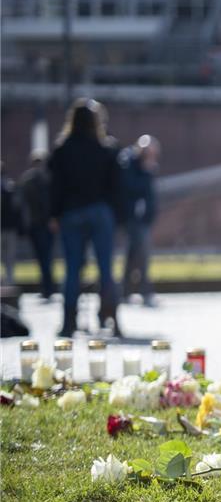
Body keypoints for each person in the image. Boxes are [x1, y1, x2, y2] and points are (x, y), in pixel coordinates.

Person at [47, 98, 122, 337]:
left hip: (71, 212)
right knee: (106, 268)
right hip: (100, 211)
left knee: (72, 270)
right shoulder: (107, 149)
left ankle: (69, 322)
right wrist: (114, 214)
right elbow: (116, 186)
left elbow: (54, 186)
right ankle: (112, 318)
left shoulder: (61, 150)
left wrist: (54, 214)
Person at [118, 134, 161, 307]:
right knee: (141, 253)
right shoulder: (129, 162)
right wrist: (145, 170)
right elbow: (131, 187)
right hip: (132, 216)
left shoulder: (149, 167)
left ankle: (125, 291)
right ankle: (145, 291)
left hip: (143, 217)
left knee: (133, 253)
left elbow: (150, 195)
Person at [17, 151, 57, 299]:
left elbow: (21, 205)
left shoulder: (28, 180)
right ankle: (48, 287)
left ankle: (47, 288)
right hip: (46, 223)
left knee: (43, 258)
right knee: (46, 257)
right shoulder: (48, 179)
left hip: (37, 224)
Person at [1, 163, 19, 286]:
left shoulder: (10, 186)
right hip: (7, 227)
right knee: (7, 255)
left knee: (9, 255)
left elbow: (17, 207)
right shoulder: (10, 186)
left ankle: (10, 279)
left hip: (8, 226)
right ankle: (8, 279)